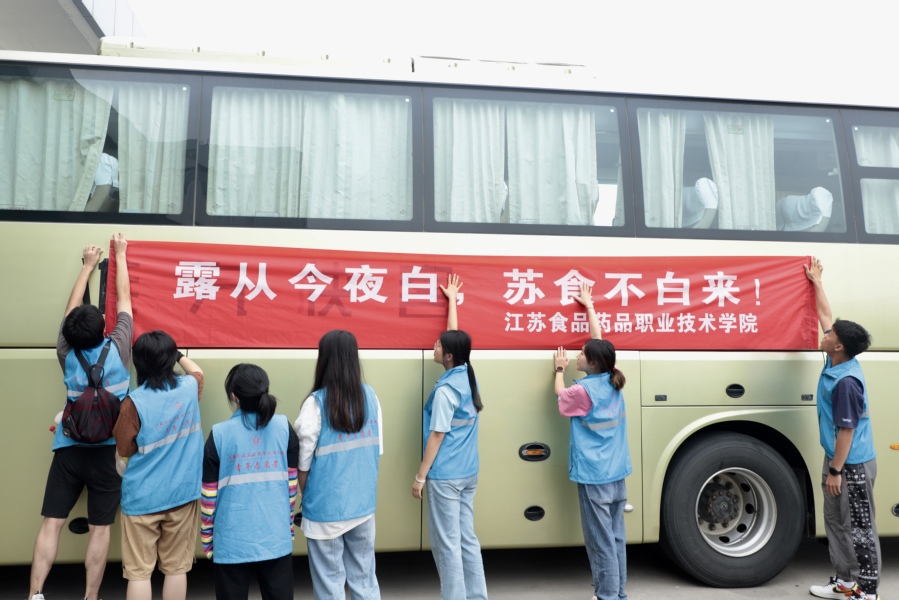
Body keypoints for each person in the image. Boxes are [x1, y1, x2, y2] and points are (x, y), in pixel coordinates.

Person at [29, 234, 132, 600]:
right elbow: (125, 302)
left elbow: (69, 313)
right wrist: (120, 255)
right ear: (103, 329)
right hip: (109, 454)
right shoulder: (119, 348)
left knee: (52, 524)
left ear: (70, 333)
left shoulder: (66, 351)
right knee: (100, 529)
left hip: (69, 449)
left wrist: (87, 266)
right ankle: (90, 597)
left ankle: (36, 594)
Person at [805, 258, 880, 600]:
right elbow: (825, 314)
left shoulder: (846, 382)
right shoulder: (837, 358)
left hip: (852, 465)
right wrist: (817, 282)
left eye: (831, 334)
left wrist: (836, 471)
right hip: (837, 458)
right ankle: (846, 582)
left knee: (860, 527)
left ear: (838, 347)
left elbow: (847, 431)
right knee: (835, 521)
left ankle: (868, 591)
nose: (826, 332)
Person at [551, 283, 630, 600]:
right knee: (616, 537)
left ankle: (607, 596)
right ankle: (618, 593)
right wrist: (590, 307)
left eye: (582, 354)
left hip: (595, 477)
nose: (577, 355)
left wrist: (559, 370)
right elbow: (599, 343)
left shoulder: (582, 391)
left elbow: (560, 395)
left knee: (600, 541)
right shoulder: (612, 379)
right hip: (616, 473)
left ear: (593, 363)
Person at [112, 330, 204, 600]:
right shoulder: (188, 389)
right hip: (182, 496)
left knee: (139, 572)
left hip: (141, 499)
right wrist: (176, 354)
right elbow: (197, 372)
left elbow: (123, 448)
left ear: (138, 364)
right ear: (169, 360)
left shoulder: (133, 403)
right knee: (176, 568)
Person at [412, 274, 488, 600]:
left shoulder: (445, 391)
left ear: (447, 356)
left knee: (447, 544)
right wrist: (452, 301)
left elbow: (437, 437)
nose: (435, 345)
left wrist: (420, 477)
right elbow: (456, 338)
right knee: (467, 538)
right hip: (469, 472)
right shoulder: (467, 376)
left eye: (438, 345)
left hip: (446, 476)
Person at [295, 330, 383, 600]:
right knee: (364, 581)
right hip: (363, 507)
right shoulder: (371, 397)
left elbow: (302, 466)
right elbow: (376, 452)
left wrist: (310, 499)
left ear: (324, 360)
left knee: (330, 586)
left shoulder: (315, 404)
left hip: (325, 512)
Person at [202, 363, 299, 600]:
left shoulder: (219, 434)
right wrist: (287, 526)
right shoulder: (284, 428)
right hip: (275, 537)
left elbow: (209, 496)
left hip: (231, 541)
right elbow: (291, 487)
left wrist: (207, 538)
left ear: (234, 396)